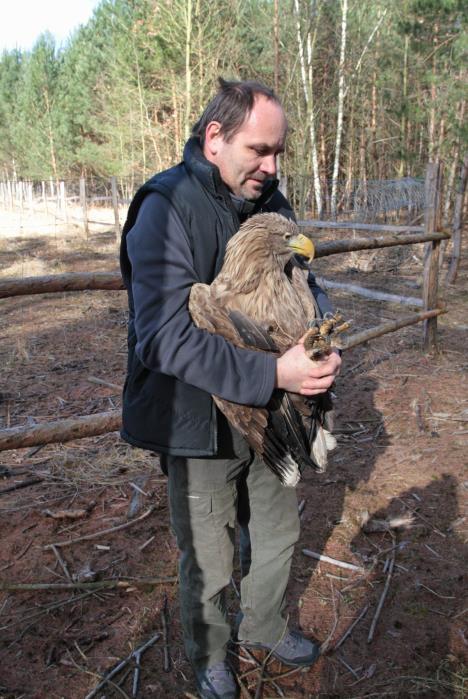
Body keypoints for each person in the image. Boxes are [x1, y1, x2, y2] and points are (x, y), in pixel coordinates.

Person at [120, 78, 341, 699]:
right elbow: (162, 338)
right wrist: (275, 372)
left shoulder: (272, 203)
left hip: (273, 413)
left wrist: (319, 345)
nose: (271, 168)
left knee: (277, 530)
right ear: (214, 138)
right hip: (196, 418)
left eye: (279, 154)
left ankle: (265, 625)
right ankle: (212, 654)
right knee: (211, 554)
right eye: (260, 151)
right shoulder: (165, 206)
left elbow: (305, 284)